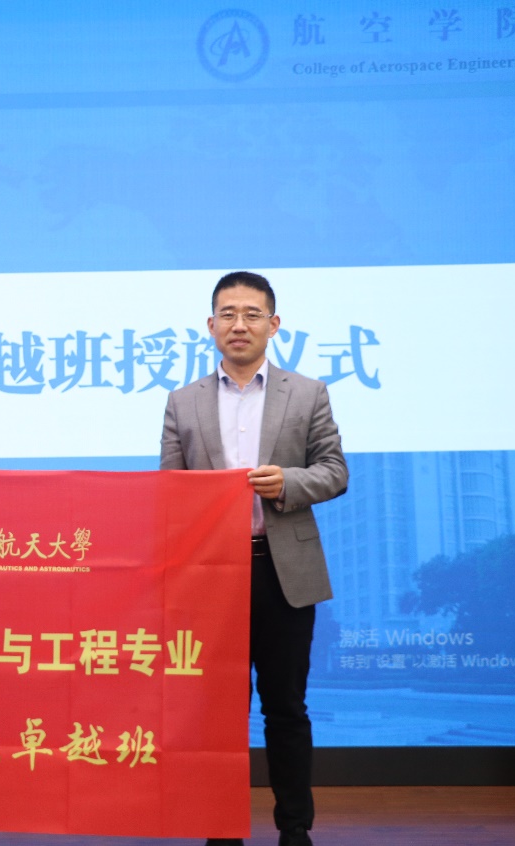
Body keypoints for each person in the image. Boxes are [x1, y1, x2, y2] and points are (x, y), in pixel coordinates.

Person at [160, 271, 347, 846]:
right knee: (216, 712)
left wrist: (287, 481)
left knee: (285, 707)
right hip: (211, 577)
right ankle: (220, 829)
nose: (238, 324)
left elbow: (334, 471)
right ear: (210, 325)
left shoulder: (307, 393)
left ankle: (295, 828)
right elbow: (169, 491)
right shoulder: (183, 401)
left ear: (274, 324)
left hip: (282, 571)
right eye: (228, 313)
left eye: (251, 313)